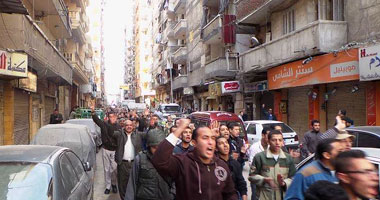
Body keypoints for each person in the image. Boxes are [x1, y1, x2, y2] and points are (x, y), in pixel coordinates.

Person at [151, 119, 238, 200]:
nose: (210, 142)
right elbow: (159, 160)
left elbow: (230, 193)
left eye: (213, 138)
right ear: (194, 143)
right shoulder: (183, 163)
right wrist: (179, 129)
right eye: (205, 138)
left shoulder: (221, 166)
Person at [125, 129, 174, 200]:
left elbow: (176, 182)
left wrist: (172, 195)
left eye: (160, 147)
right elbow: (132, 183)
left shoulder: (171, 159)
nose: (158, 151)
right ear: (149, 147)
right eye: (154, 148)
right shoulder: (140, 159)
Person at [249, 130, 296, 200]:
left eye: (280, 140)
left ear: (283, 142)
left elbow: (294, 178)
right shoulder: (260, 157)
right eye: (274, 140)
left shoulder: (288, 158)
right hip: (265, 196)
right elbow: (251, 176)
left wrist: (284, 183)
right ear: (268, 142)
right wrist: (264, 179)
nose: (277, 143)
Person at [111, 120, 146, 199]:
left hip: (135, 163)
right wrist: (113, 123)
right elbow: (111, 133)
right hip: (122, 164)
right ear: (124, 126)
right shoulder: (119, 134)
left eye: (131, 125)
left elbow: (149, 134)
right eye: (127, 125)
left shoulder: (138, 134)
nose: (129, 126)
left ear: (133, 126)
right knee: (122, 184)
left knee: (135, 183)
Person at [92, 108, 119, 194]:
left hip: (115, 150)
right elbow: (97, 120)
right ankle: (108, 186)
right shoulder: (104, 124)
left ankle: (114, 184)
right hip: (106, 149)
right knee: (106, 169)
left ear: (116, 117)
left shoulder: (119, 127)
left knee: (114, 169)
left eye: (113, 117)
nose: (112, 118)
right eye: (110, 117)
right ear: (108, 117)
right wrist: (93, 112)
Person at [247, 128, 270, 200]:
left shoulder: (270, 147)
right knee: (255, 196)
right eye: (268, 135)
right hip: (256, 176)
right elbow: (251, 163)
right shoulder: (255, 147)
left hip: (268, 177)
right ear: (263, 135)